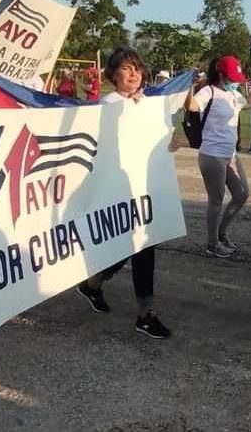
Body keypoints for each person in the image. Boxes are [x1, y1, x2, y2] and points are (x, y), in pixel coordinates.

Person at [74, 47, 171, 339]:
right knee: (135, 245)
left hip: (139, 185)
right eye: (127, 69)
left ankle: (92, 284)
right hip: (115, 188)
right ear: (113, 74)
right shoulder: (109, 103)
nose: (134, 75)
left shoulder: (143, 103)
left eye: (137, 69)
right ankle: (145, 313)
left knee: (136, 244)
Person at [185, 56, 251, 258]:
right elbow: (192, 106)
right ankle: (212, 243)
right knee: (216, 199)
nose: (235, 81)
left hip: (231, 155)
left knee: (242, 194)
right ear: (220, 75)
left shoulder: (234, 94)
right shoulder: (208, 91)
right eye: (232, 77)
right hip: (212, 154)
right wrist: (189, 87)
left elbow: (249, 103)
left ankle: (221, 233)